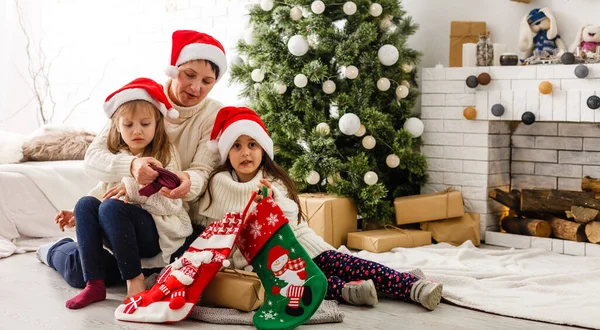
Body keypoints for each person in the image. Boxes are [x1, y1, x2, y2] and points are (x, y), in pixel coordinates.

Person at [198, 106, 444, 311]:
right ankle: (350, 292)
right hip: (265, 263)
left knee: (346, 264)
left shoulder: (273, 181)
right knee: (307, 285)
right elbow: (216, 231)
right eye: (236, 146)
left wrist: (272, 200)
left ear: (263, 150)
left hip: (302, 245)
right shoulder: (218, 185)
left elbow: (291, 218)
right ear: (226, 153)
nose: (245, 153)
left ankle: (412, 286)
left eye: (252, 144)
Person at [36, 78, 193, 310]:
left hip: (156, 236)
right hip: (120, 233)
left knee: (110, 207)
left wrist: (132, 189)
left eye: (145, 123)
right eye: (128, 125)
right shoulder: (118, 155)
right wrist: (80, 216)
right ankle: (94, 284)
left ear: (157, 124)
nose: (137, 130)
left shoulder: (164, 153)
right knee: (85, 204)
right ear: (117, 127)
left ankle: (135, 281)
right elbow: (106, 191)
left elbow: (170, 205)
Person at [83, 30, 228, 229]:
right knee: (89, 214)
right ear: (174, 69)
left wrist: (187, 180)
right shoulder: (142, 98)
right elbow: (93, 157)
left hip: (170, 217)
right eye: (189, 75)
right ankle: (56, 251)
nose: (195, 88)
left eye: (207, 81)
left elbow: (202, 171)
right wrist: (132, 165)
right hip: (124, 208)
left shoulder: (214, 114)